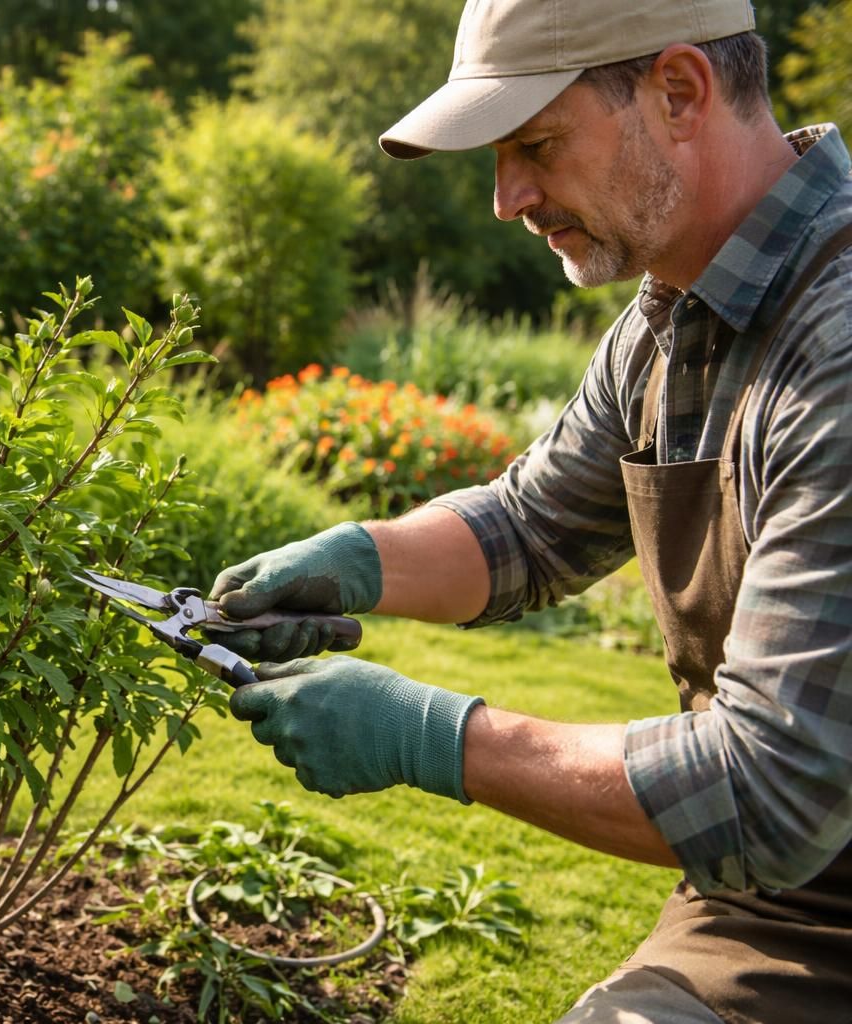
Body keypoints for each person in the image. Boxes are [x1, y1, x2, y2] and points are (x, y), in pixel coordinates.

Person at [209, 0, 852, 1020]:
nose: (507, 199)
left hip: (784, 837)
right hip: (770, 901)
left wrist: (427, 736)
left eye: (537, 145)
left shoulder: (837, 346)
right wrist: (355, 559)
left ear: (679, 92)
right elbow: (530, 527)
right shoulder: (669, 320)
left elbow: (772, 789)